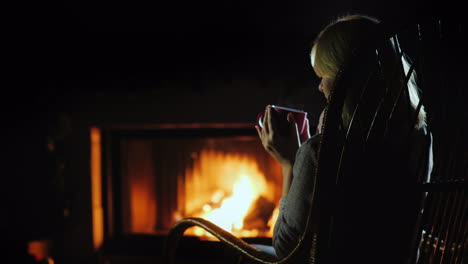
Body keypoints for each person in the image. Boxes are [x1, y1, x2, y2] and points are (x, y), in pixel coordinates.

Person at [254, 14, 432, 262]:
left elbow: (287, 251)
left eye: (323, 76)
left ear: (347, 79)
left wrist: (291, 164)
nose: (320, 87)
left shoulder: (320, 153)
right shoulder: (420, 139)